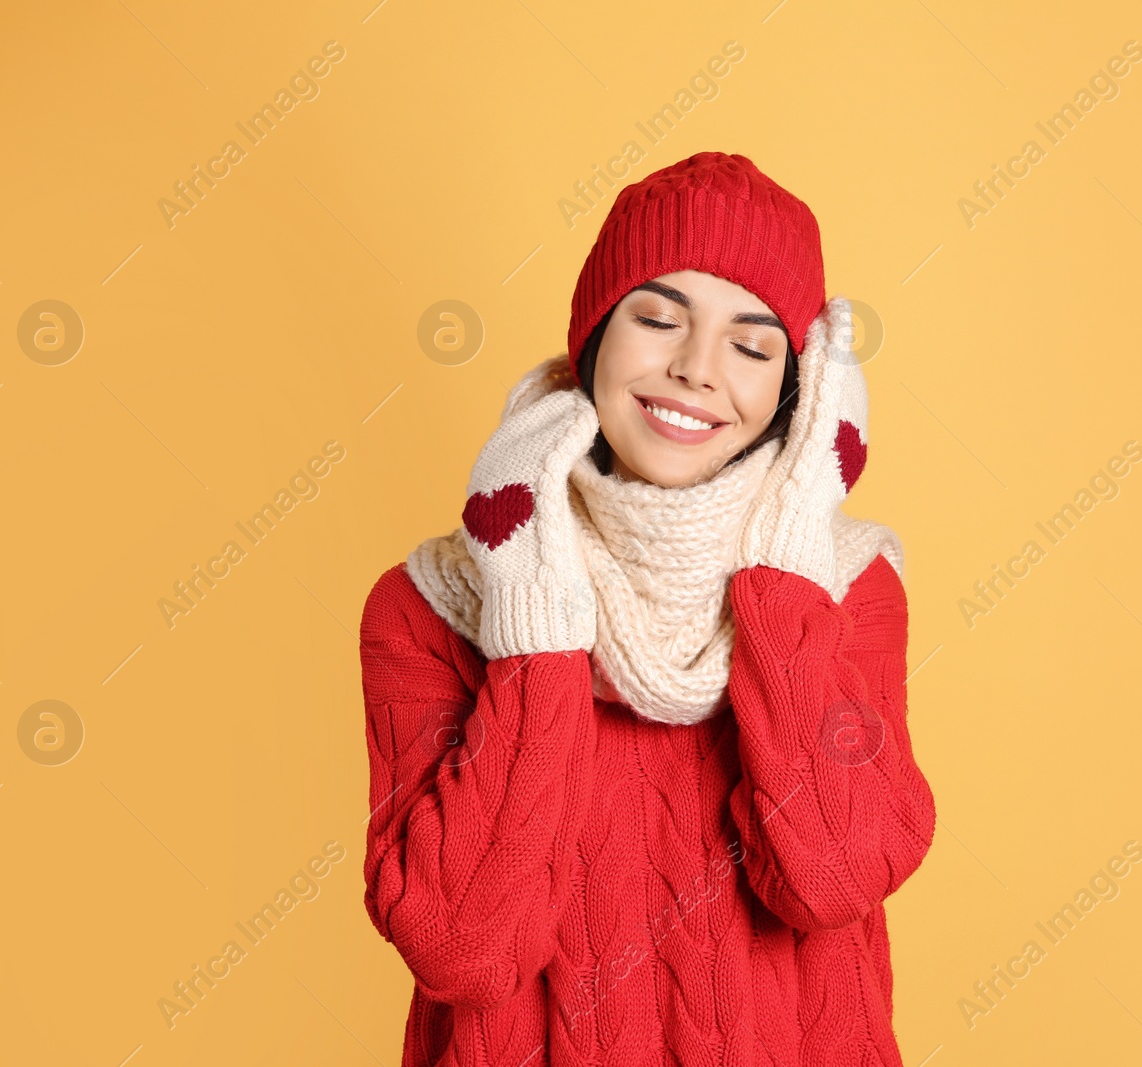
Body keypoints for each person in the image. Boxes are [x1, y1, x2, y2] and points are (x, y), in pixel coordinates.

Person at [359, 151, 937, 1065]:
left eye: (751, 346)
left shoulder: (847, 584)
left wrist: (785, 567)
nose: (697, 370)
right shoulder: (431, 607)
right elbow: (462, 945)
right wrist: (533, 614)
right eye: (658, 318)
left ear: (799, 391)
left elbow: (835, 875)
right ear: (591, 341)